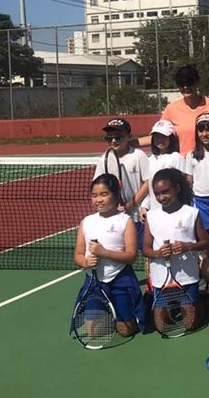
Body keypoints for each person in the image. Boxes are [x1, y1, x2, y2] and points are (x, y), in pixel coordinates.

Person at [73, 173, 145, 337]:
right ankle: (109, 312)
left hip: (120, 278)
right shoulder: (86, 222)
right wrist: (85, 262)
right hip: (94, 281)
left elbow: (131, 256)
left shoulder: (125, 221)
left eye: (104, 194)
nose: (98, 199)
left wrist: (104, 252)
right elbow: (78, 255)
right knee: (94, 333)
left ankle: (128, 311)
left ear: (116, 195)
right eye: (94, 195)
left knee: (126, 331)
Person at [143, 168, 208, 333]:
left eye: (165, 192)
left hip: (187, 276)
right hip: (161, 278)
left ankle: (201, 304)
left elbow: (205, 243)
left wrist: (188, 247)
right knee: (161, 326)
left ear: (177, 189)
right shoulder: (151, 216)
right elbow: (145, 249)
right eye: (157, 194)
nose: (161, 197)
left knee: (189, 324)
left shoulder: (192, 213)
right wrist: (158, 253)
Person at [93, 118, 149, 249]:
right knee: (120, 251)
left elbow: (147, 183)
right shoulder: (104, 159)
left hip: (137, 216)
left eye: (118, 137)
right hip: (115, 217)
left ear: (129, 137)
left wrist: (130, 205)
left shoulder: (138, 155)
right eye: (109, 138)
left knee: (145, 251)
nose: (113, 141)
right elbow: (99, 187)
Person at [158, 64, 209, 156]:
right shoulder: (171, 109)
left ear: (197, 82)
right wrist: (136, 142)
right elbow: (159, 136)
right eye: (181, 84)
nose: (185, 87)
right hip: (183, 161)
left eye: (189, 82)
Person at [138, 120, 186, 224]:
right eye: (156, 136)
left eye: (163, 136)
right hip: (155, 214)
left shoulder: (177, 158)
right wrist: (144, 206)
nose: (159, 140)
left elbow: (183, 187)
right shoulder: (150, 160)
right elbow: (149, 189)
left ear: (171, 138)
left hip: (174, 213)